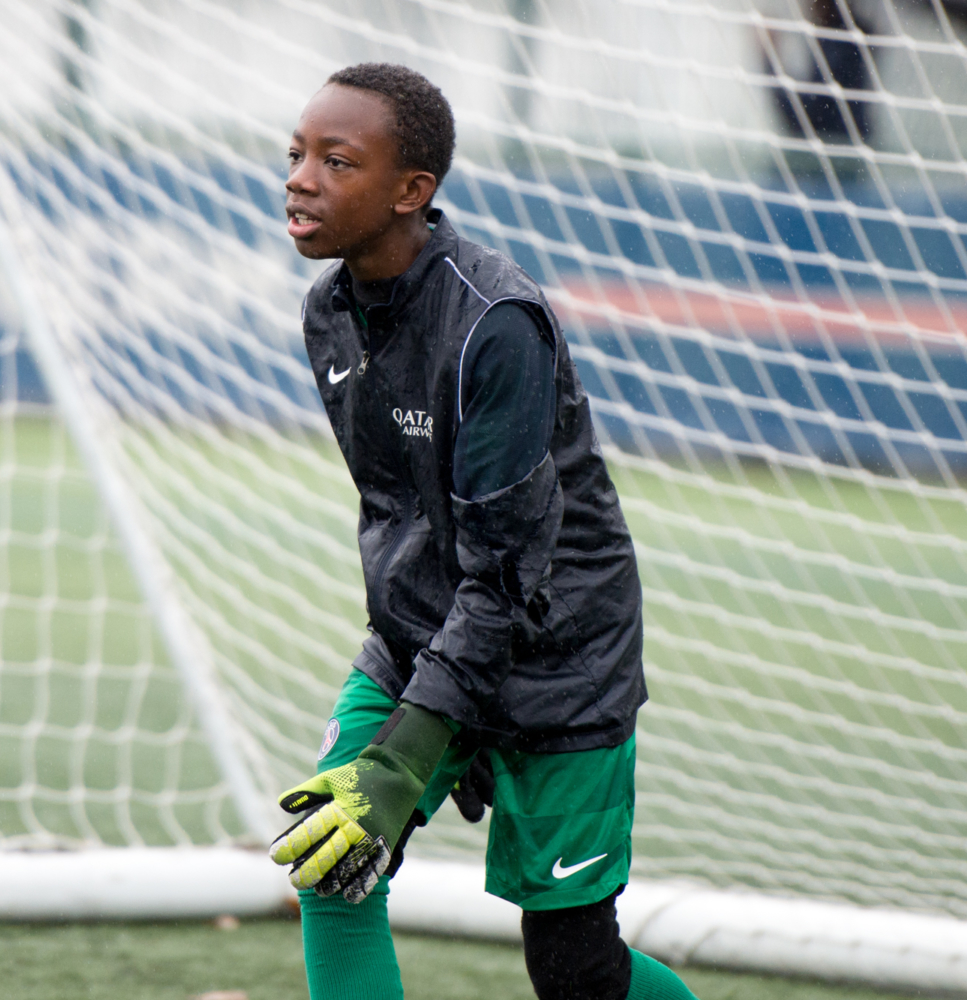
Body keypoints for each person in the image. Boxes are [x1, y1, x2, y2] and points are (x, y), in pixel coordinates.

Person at [268, 63, 700, 1000]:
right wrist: (413, 702)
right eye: (296, 154)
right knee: (330, 862)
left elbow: (507, 569)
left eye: (336, 161)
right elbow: (401, 513)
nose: (300, 179)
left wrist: (408, 754)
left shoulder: (496, 323)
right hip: (422, 640)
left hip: (558, 660)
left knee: (576, 970)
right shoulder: (328, 313)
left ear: (411, 191)